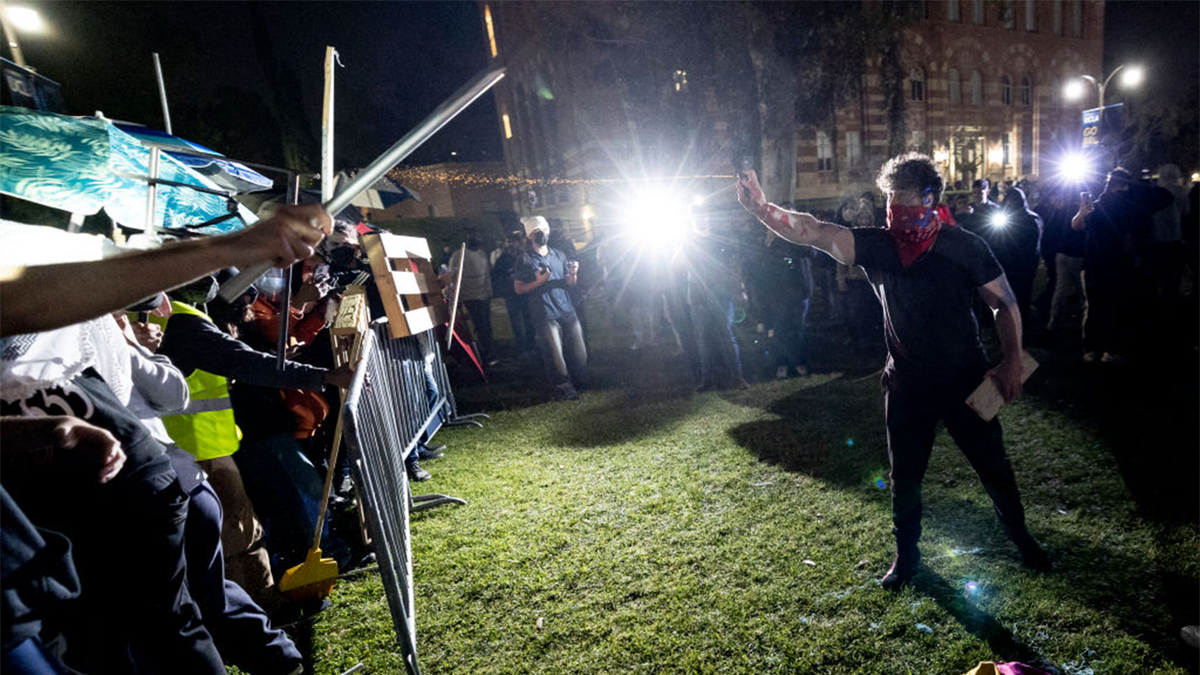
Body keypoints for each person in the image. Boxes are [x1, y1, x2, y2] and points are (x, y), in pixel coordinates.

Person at [737, 153, 1050, 590]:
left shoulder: (964, 246)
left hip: (967, 381)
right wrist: (761, 208)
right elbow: (813, 231)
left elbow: (1005, 302)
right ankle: (906, 559)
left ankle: (1022, 538)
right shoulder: (879, 245)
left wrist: (1012, 359)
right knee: (905, 478)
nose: (893, 212)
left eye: (901, 202)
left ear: (930, 199)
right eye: (889, 201)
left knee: (993, 467)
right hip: (907, 385)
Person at [1071, 168, 1173, 363]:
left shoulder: (1101, 205)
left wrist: (1083, 209)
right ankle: (1111, 348)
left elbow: (1077, 225)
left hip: (1097, 265)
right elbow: (1166, 197)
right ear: (1127, 185)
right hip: (1119, 265)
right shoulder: (1134, 207)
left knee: (1095, 308)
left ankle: (1092, 349)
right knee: (1117, 308)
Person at [514, 216, 587, 400]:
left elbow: (569, 283)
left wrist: (573, 274)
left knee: (580, 353)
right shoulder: (524, 259)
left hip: (567, 310)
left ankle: (579, 382)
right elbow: (519, 288)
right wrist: (539, 282)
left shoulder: (559, 254)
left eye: (544, 230)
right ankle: (562, 389)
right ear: (530, 235)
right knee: (555, 356)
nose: (541, 234)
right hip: (545, 313)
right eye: (536, 231)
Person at [994, 187, 1043, 329]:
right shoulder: (1005, 218)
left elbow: (1032, 246)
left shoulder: (1031, 219)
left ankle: (1022, 325)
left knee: (1021, 296)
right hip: (1006, 264)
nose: (1010, 203)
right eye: (1009, 200)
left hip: (1022, 266)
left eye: (1014, 200)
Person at [449, 230, 497, 366]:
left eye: (477, 237)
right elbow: (453, 276)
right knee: (480, 325)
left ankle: (489, 350)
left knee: (487, 325)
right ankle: (487, 353)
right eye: (472, 238)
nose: (475, 240)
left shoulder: (482, 254)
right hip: (470, 296)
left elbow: (487, 273)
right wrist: (457, 297)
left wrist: (489, 291)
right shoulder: (458, 255)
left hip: (484, 295)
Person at [492, 230, 537, 356]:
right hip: (511, 296)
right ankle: (521, 347)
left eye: (512, 241)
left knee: (529, 321)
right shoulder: (502, 259)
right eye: (508, 242)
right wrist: (504, 288)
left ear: (518, 243)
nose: (510, 244)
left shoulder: (526, 257)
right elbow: (495, 277)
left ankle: (531, 346)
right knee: (516, 323)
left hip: (527, 294)